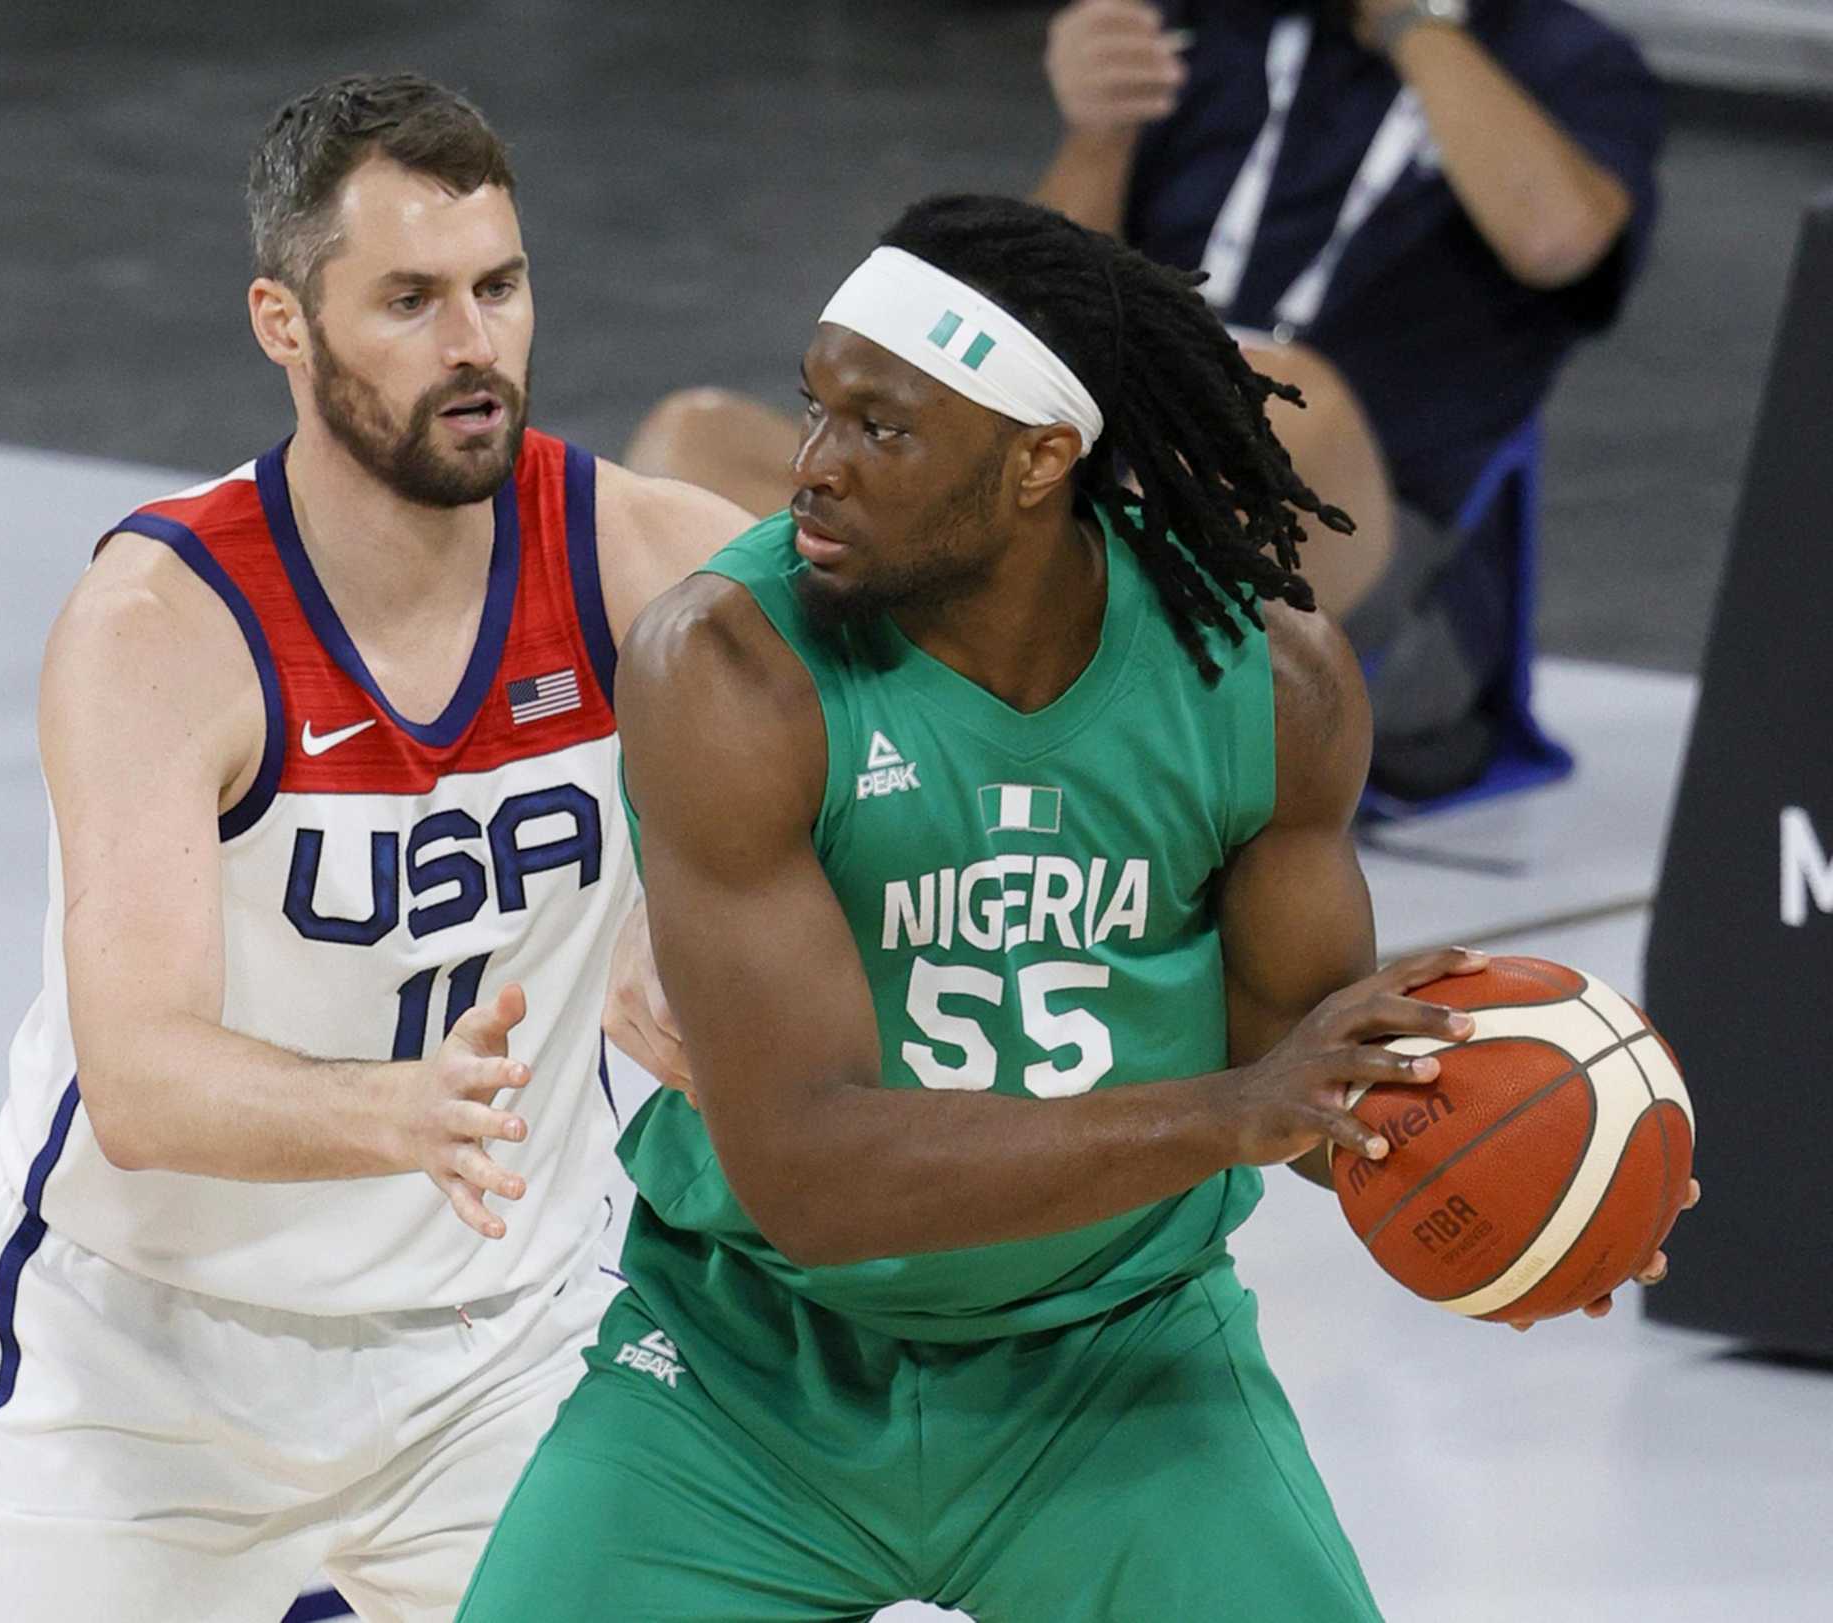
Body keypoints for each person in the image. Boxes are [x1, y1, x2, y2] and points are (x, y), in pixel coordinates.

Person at [460, 195, 1687, 1622]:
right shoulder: (729, 665)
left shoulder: (1267, 680)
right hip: (750, 1369)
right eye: (816, 409)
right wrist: (1233, 1109)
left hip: (1116, 1365)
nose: (811, 470)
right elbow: (812, 1174)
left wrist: (1557, 1167)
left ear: (1042, 456)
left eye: (883, 428)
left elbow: (1308, 1079)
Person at [0, 73, 745, 1623]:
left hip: (502, 1350)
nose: (473, 343)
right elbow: (137, 1074)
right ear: (283, 321)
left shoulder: (634, 552)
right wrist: (392, 1112)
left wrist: (676, 899)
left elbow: (923, 706)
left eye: (499, 285)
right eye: (410, 299)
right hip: (149, 1361)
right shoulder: (162, 627)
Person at [626, 0, 1662, 799]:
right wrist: (1100, 129)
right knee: (694, 442)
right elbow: (1005, 322)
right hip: (1084, 500)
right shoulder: (1214, 29)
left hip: (1364, 585)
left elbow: (1555, 235)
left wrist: (1401, 19)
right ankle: (859, 748)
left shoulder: (1566, 61)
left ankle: (1029, 739)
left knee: (1269, 395)